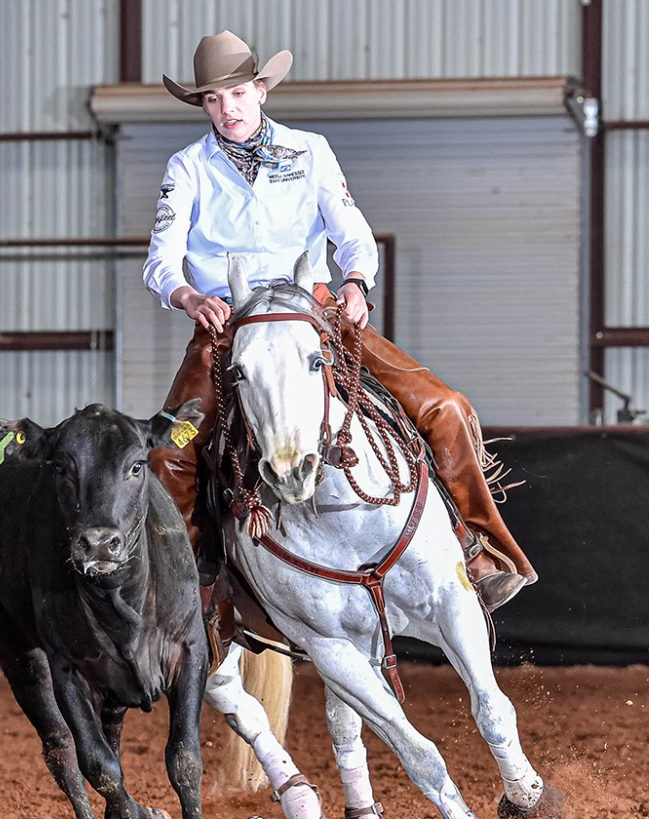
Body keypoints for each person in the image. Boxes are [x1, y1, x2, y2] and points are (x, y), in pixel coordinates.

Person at [144, 30, 535, 612]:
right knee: (168, 455)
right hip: (229, 323)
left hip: (316, 310)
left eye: (236, 94)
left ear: (260, 91)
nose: (226, 109)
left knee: (444, 407)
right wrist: (185, 295)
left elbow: (353, 235)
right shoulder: (187, 167)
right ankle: (192, 591)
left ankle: (477, 549)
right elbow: (160, 258)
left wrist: (356, 283)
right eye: (212, 100)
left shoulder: (310, 151)